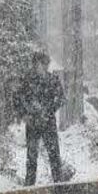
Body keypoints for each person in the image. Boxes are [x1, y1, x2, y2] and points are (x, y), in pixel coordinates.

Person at [14, 51, 67, 186]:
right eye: (39, 64)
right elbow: (17, 99)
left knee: (53, 154)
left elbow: (61, 98)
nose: (42, 66)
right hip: (33, 122)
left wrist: (48, 110)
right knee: (32, 156)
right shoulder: (27, 80)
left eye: (44, 64)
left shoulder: (52, 79)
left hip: (48, 121)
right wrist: (24, 114)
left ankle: (58, 183)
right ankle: (30, 185)